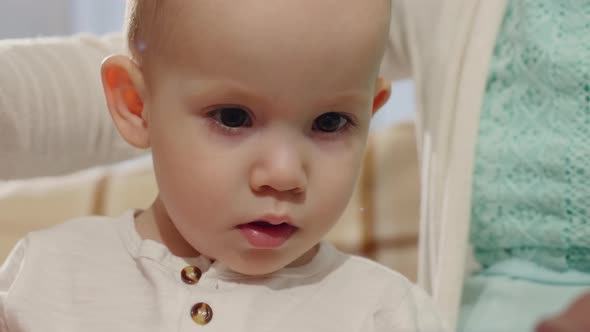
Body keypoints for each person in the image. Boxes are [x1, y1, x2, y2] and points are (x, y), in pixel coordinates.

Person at [3, 0, 590, 331]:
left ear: (371, 113)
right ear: (134, 105)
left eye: (331, 123)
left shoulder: (387, 314)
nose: (285, 173)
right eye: (232, 116)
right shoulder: (45, 271)